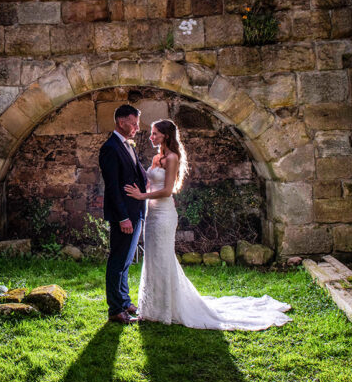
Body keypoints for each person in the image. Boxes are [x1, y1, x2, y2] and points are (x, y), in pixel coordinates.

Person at [124, 119, 292, 330]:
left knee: (163, 257)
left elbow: (168, 191)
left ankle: (167, 308)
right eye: (152, 133)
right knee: (153, 257)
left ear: (166, 135)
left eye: (155, 133)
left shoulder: (173, 158)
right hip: (152, 214)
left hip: (165, 214)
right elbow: (153, 182)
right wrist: (141, 186)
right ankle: (153, 308)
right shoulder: (157, 157)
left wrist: (141, 196)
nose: (151, 137)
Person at [98, 104, 147, 325]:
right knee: (117, 261)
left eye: (137, 123)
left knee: (126, 261)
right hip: (124, 215)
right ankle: (116, 310)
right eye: (133, 123)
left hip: (136, 211)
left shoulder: (127, 145)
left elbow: (138, 175)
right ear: (121, 122)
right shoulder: (110, 148)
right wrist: (122, 217)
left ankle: (125, 301)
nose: (137, 127)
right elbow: (113, 187)